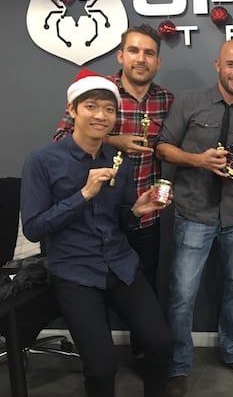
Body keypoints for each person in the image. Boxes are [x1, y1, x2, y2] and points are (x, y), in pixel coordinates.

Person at [21, 69, 172, 397]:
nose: (101, 115)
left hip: (120, 263)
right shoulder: (42, 161)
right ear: (72, 110)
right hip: (75, 271)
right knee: (102, 367)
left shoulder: (119, 161)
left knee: (160, 342)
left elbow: (121, 220)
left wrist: (137, 210)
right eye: (91, 106)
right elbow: (33, 229)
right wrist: (84, 194)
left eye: (108, 109)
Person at [156, 39, 233, 395]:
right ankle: (178, 365)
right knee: (183, 294)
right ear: (218, 65)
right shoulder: (188, 102)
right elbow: (163, 148)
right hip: (193, 213)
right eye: (231, 64)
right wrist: (198, 160)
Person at [53, 23, 174, 298]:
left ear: (158, 61)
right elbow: (60, 139)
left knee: (144, 294)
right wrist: (112, 140)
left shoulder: (166, 100)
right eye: (133, 51)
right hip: (98, 218)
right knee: (95, 297)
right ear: (120, 55)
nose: (141, 59)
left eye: (149, 53)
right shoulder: (97, 91)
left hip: (144, 216)